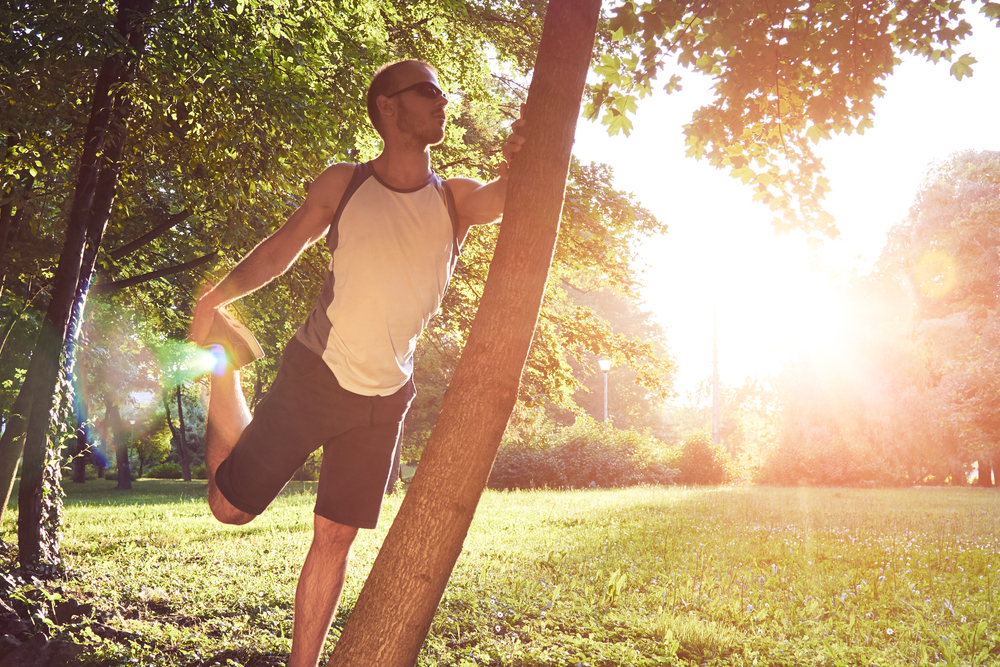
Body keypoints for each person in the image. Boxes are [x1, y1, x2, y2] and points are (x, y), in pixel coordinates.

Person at [188, 59, 525, 667]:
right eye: (428, 92)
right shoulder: (343, 184)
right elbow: (280, 251)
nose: (442, 103)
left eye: (443, 94)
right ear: (387, 107)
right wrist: (216, 298)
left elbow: (512, 196)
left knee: (336, 535)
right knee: (228, 508)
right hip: (315, 375)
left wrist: (528, 152)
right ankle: (225, 365)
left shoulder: (456, 199)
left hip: (384, 399)